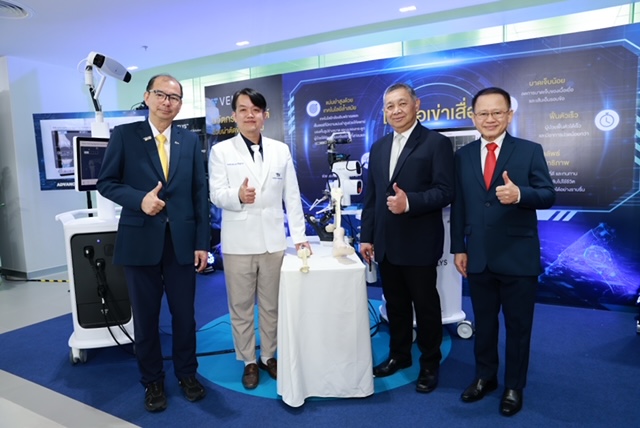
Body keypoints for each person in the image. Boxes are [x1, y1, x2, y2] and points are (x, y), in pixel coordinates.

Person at [97, 74, 210, 412]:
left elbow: (199, 193)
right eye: (160, 94)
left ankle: (187, 374)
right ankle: (152, 381)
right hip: (139, 240)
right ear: (147, 97)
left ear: (180, 104)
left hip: (181, 243)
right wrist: (139, 200)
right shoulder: (125, 136)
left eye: (174, 97)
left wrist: (202, 242)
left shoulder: (189, 141)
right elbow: (106, 182)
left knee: (184, 317)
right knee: (146, 319)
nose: (167, 102)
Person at [450, 87, 555, 416]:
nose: (490, 119)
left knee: (518, 327)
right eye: (483, 113)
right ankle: (485, 377)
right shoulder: (463, 156)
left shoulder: (529, 151)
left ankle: (514, 386)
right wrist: (458, 248)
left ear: (509, 115)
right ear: (473, 118)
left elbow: (547, 194)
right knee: (484, 323)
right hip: (478, 256)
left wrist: (520, 194)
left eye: (497, 112)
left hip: (517, 256)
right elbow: (460, 205)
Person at [208, 88, 310, 390]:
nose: (249, 115)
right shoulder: (221, 152)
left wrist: (300, 236)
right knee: (240, 306)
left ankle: (268, 355)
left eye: (255, 109)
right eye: (243, 109)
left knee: (271, 305)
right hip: (238, 243)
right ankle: (248, 361)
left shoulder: (280, 150)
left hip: (273, 242)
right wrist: (238, 196)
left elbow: (292, 196)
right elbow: (216, 194)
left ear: (265, 115)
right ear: (234, 116)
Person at [360, 82, 455, 393]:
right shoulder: (378, 147)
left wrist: (409, 202)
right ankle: (399, 356)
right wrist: (366, 236)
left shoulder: (436, 143)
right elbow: (372, 198)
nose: (396, 110)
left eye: (402, 103)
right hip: (386, 244)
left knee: (425, 307)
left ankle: (430, 363)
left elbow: (446, 191)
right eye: (390, 106)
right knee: (396, 305)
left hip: (419, 242)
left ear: (417, 104)